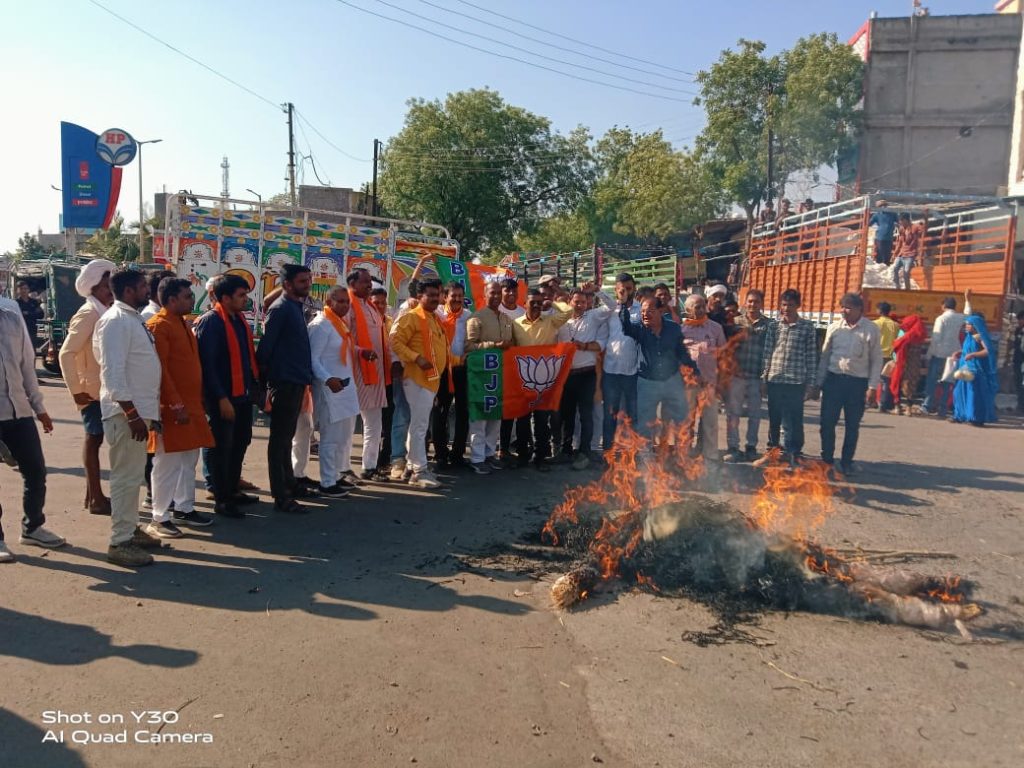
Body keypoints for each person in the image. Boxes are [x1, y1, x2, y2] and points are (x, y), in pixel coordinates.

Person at [93, 269, 164, 567]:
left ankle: (130, 529)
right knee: (125, 478)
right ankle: (119, 543)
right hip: (125, 414)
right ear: (128, 290)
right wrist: (132, 413)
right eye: (142, 287)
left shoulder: (131, 318)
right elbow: (113, 372)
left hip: (137, 412)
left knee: (133, 477)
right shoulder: (116, 321)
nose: (147, 291)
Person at [145, 278, 215, 537]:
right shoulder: (158, 326)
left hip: (192, 405)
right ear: (172, 300)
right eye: (187, 296)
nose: (191, 300)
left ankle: (184, 508)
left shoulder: (183, 323)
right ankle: (159, 517)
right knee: (167, 462)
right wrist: (175, 404)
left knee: (188, 459)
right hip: (172, 408)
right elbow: (160, 370)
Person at [0, 296, 63, 563]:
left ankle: (33, 527)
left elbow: (27, 363)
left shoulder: (12, 313)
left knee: (35, 471)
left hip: (19, 410)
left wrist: (39, 407)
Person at [194, 274, 258, 519]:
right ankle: (221, 498)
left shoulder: (238, 320)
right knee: (221, 447)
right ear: (225, 298)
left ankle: (232, 490)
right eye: (241, 295)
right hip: (222, 398)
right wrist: (221, 398)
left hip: (241, 395)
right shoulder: (211, 322)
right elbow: (207, 365)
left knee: (240, 442)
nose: (245, 299)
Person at [58, 258, 115, 516]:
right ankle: (96, 499)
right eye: (105, 287)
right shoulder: (89, 312)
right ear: (93, 288)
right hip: (90, 390)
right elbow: (66, 353)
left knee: (96, 439)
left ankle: (93, 495)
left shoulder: (102, 310)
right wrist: (76, 390)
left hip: (101, 388)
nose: (110, 292)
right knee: (94, 439)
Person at [257, 264, 314, 514]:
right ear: (287, 285)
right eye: (302, 281)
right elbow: (266, 349)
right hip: (284, 381)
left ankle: (290, 484)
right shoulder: (280, 309)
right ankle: (280, 495)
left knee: (287, 437)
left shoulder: (295, 306)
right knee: (279, 440)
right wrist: (264, 386)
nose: (307, 285)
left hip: (296, 380)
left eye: (308, 280)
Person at [391, 279, 449, 489]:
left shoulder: (434, 318)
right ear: (420, 296)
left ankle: (411, 466)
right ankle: (419, 472)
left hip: (431, 380)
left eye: (437, 294)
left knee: (418, 425)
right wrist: (416, 358)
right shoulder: (412, 316)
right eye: (430, 295)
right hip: (417, 379)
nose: (435, 298)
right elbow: (395, 341)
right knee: (419, 426)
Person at [816, 293, 883, 475]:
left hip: (857, 384)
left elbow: (876, 360)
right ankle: (827, 460)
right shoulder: (834, 328)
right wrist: (818, 382)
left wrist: (872, 387)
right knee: (827, 423)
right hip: (833, 381)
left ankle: (847, 462)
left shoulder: (870, 329)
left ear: (859, 309)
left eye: (848, 307)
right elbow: (825, 357)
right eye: (842, 307)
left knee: (852, 425)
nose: (843, 311)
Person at [619, 294, 697, 446]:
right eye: (642, 311)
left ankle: (682, 454)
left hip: (672, 381)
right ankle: (646, 456)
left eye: (650, 311)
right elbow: (626, 326)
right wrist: (623, 305)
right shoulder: (639, 328)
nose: (645, 314)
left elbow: (682, 353)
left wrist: (695, 372)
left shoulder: (674, 328)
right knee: (645, 422)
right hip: (647, 382)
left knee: (682, 419)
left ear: (661, 311)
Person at [754, 289, 818, 468]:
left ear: (798, 306)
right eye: (783, 305)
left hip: (796, 381)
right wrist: (763, 379)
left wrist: (811, 384)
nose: (786, 308)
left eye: (790, 305)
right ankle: (772, 453)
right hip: (775, 379)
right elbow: (767, 354)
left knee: (793, 421)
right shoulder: (774, 327)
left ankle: (793, 455)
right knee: (774, 419)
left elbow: (812, 356)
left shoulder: (807, 327)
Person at [511, 288, 573, 471]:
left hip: (545, 380)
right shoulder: (515, 324)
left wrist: (550, 302)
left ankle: (540, 457)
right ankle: (523, 455)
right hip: (523, 379)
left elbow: (568, 311)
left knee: (541, 420)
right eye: (533, 302)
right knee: (522, 420)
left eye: (539, 302)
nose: (537, 305)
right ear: (525, 304)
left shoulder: (550, 321)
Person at [308, 286, 360, 496]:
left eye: (347, 301)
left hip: (345, 388)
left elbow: (343, 350)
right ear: (329, 302)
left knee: (342, 437)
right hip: (329, 389)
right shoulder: (321, 325)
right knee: (329, 438)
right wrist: (328, 379)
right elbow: (313, 359)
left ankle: (337, 475)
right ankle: (327, 482)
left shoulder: (338, 323)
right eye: (340, 301)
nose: (345, 305)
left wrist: (361, 352)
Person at [465, 279, 514, 475]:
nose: (496, 296)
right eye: (492, 293)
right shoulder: (476, 318)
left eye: (498, 293)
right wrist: (494, 345)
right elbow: (469, 347)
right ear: (484, 295)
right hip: (481, 377)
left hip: (499, 376)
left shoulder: (506, 319)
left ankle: (489, 454)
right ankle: (477, 458)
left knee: (495, 417)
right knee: (480, 418)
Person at [556, 286, 608, 469]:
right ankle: (565, 450)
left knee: (586, 415)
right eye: (576, 301)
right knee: (567, 415)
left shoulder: (593, 317)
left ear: (588, 304)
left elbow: (611, 305)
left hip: (587, 374)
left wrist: (598, 290)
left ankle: (584, 451)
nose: (580, 305)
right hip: (566, 375)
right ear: (569, 301)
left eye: (583, 302)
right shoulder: (561, 321)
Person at [346, 268, 389, 482]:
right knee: (347, 425)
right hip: (354, 373)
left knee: (374, 423)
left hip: (374, 373)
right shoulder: (347, 305)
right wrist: (360, 352)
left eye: (370, 282)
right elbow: (343, 338)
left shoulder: (370, 306)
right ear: (352, 283)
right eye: (365, 282)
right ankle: (342, 469)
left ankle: (369, 467)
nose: (369, 285)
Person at [723, 289, 773, 463]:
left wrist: (765, 377)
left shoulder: (769, 325)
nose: (753, 304)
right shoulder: (735, 323)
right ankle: (733, 447)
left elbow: (770, 352)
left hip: (756, 376)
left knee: (754, 414)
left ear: (762, 303)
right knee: (733, 414)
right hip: (737, 376)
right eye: (750, 301)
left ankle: (751, 447)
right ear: (745, 303)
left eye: (756, 301)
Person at [680, 294, 726, 461]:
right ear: (688, 310)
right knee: (687, 422)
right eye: (696, 307)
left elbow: (723, 356)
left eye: (702, 306)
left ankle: (710, 456)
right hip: (688, 384)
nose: (700, 310)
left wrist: (721, 381)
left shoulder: (715, 328)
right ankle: (684, 455)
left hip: (709, 383)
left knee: (710, 422)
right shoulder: (681, 330)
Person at [599, 273, 641, 454]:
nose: (625, 293)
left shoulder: (641, 310)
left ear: (634, 289)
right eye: (621, 290)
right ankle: (608, 453)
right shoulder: (610, 310)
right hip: (611, 371)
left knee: (633, 416)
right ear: (616, 291)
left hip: (633, 372)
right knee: (610, 415)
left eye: (629, 289)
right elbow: (602, 337)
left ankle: (632, 454)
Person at [434, 282, 470, 469]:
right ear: (445, 297)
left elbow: (472, 341)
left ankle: (458, 454)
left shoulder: (469, 316)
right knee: (441, 411)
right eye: (453, 296)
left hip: (462, 370)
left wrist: (467, 354)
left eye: (460, 296)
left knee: (463, 411)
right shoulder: (437, 314)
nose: (457, 299)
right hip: (442, 369)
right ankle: (440, 454)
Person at [921, 295, 966, 417]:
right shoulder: (961, 317)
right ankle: (943, 409)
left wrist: (929, 354)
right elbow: (968, 314)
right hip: (954, 354)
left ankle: (927, 405)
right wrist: (967, 301)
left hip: (939, 353)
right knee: (947, 381)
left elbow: (936, 338)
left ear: (944, 306)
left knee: (932, 380)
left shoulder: (941, 319)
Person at [951, 314, 998, 426]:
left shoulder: (978, 337)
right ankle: (959, 415)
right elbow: (967, 350)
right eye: (966, 324)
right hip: (964, 369)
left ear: (976, 325)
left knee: (973, 394)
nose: (966, 326)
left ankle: (975, 418)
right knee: (959, 392)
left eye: (969, 324)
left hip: (975, 370)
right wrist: (959, 352)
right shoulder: (968, 337)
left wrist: (973, 355)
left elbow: (988, 351)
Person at [496, 276, 525, 461]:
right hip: (497, 366)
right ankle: (501, 447)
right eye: (507, 290)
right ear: (501, 292)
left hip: (518, 367)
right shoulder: (495, 310)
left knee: (516, 408)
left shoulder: (523, 312)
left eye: (514, 290)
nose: (511, 293)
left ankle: (514, 446)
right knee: (501, 409)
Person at [370, 286, 397, 472]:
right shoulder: (367, 324)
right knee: (373, 424)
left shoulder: (390, 322)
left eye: (383, 303)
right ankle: (372, 463)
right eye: (376, 303)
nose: (380, 306)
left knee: (388, 420)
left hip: (389, 379)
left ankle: (384, 458)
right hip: (372, 379)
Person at [890, 314, 927, 414]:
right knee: (911, 385)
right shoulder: (920, 335)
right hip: (915, 364)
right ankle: (908, 409)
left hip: (902, 363)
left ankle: (897, 407)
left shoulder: (906, 336)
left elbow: (896, 347)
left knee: (898, 383)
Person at [872, 302, 900, 412]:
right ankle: (882, 404)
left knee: (872, 379)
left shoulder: (875, 324)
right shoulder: (895, 325)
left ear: (879, 311)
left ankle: (870, 401)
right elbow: (899, 340)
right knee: (885, 381)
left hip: (876, 354)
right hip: (889, 356)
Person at [892, 213, 921, 290]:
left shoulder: (914, 227)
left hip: (910, 255)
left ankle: (907, 289)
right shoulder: (902, 229)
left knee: (906, 272)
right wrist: (895, 253)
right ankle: (897, 287)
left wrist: (926, 217)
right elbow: (900, 242)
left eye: (901, 220)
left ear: (906, 220)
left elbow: (924, 228)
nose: (900, 222)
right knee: (895, 268)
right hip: (901, 254)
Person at [869, 200, 898, 266]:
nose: (883, 207)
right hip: (880, 237)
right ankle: (879, 265)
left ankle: (886, 266)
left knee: (887, 253)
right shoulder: (877, 215)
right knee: (880, 253)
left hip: (889, 237)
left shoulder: (892, 214)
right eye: (881, 206)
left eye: (885, 205)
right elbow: (869, 223)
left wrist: (897, 226)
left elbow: (899, 222)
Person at [15, 281, 44, 346]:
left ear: (28, 290)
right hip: (20, 330)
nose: (23, 290)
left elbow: (41, 314)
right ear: (17, 290)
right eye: (21, 289)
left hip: (32, 330)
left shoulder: (34, 302)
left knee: (32, 348)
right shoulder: (15, 303)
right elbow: (16, 316)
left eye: (25, 288)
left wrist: (28, 313)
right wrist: (32, 313)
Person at [1011, 310, 1024, 414]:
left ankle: (1021, 406)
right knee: (1018, 383)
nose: (1019, 321)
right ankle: (1020, 405)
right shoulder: (1018, 330)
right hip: (1018, 361)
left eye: (1020, 319)